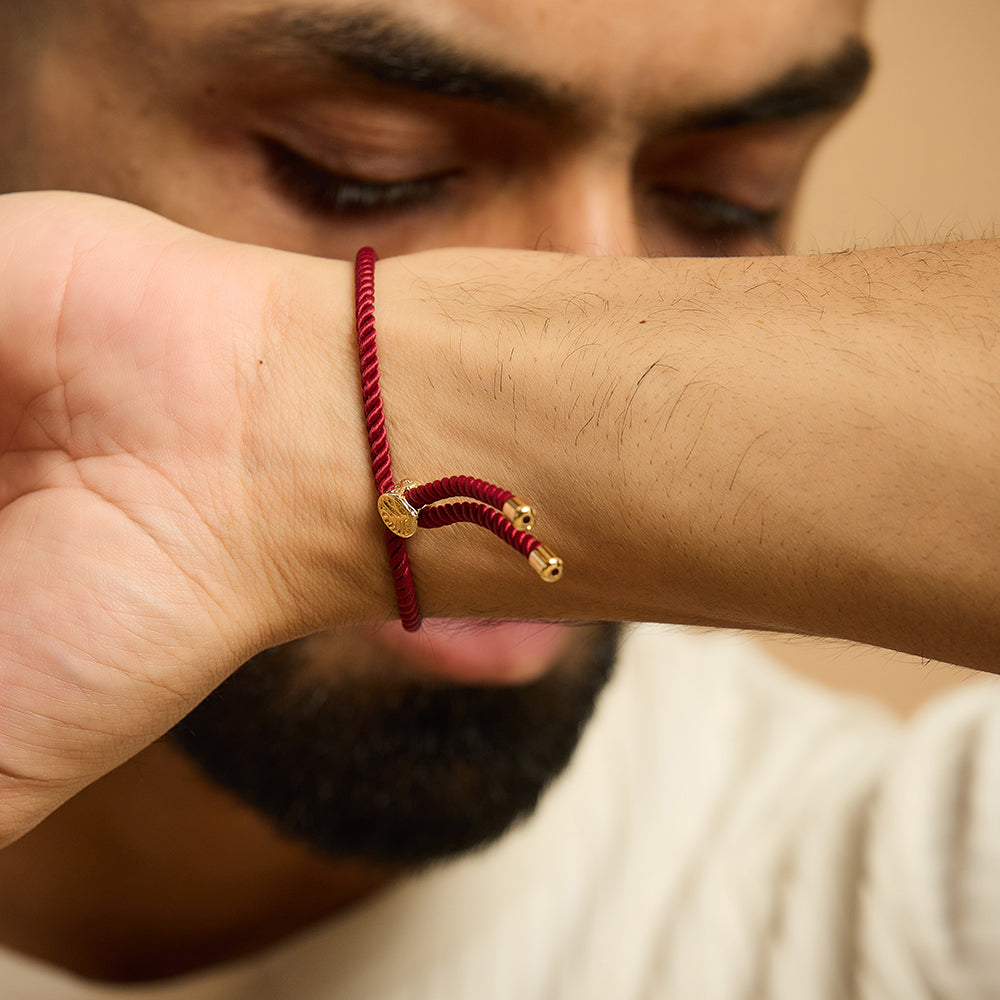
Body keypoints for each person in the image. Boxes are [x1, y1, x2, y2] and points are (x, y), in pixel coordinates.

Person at [0, 0, 998, 995]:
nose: (608, 303)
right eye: (365, 168)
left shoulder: (877, 886)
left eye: (726, 199)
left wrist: (292, 412)